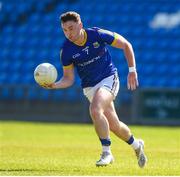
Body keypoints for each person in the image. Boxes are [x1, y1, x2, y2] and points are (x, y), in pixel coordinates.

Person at [42, 11, 147, 167]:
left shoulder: (97, 34)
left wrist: (132, 70)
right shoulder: (66, 51)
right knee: (114, 125)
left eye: (71, 28)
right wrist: (54, 85)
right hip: (90, 87)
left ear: (80, 25)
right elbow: (68, 79)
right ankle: (137, 145)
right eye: (64, 30)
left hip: (109, 78)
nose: (68, 33)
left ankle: (107, 153)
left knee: (95, 109)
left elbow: (126, 45)